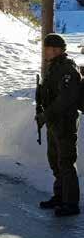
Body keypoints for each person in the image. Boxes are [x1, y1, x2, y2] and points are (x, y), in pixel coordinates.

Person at [36, 33, 82, 217]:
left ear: (56, 50)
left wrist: (46, 114)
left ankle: (71, 203)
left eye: (47, 49)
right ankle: (60, 196)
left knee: (66, 162)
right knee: (55, 161)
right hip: (55, 122)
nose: (45, 52)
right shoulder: (54, 68)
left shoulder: (67, 69)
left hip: (65, 122)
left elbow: (66, 99)